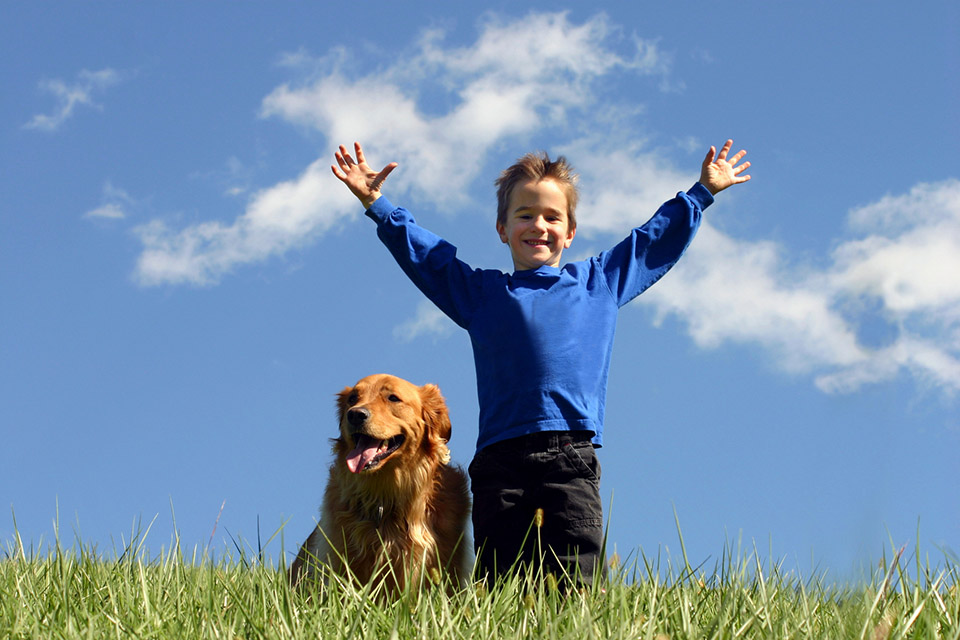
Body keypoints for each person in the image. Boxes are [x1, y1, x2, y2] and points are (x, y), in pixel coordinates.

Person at [331, 140, 751, 587]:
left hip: (570, 456)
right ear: (502, 228)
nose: (539, 225)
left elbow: (649, 241)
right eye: (525, 215)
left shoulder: (598, 282)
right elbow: (431, 261)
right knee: (501, 586)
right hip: (499, 461)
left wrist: (702, 192)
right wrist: (378, 204)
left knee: (574, 582)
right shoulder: (482, 295)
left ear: (570, 231)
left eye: (553, 217)